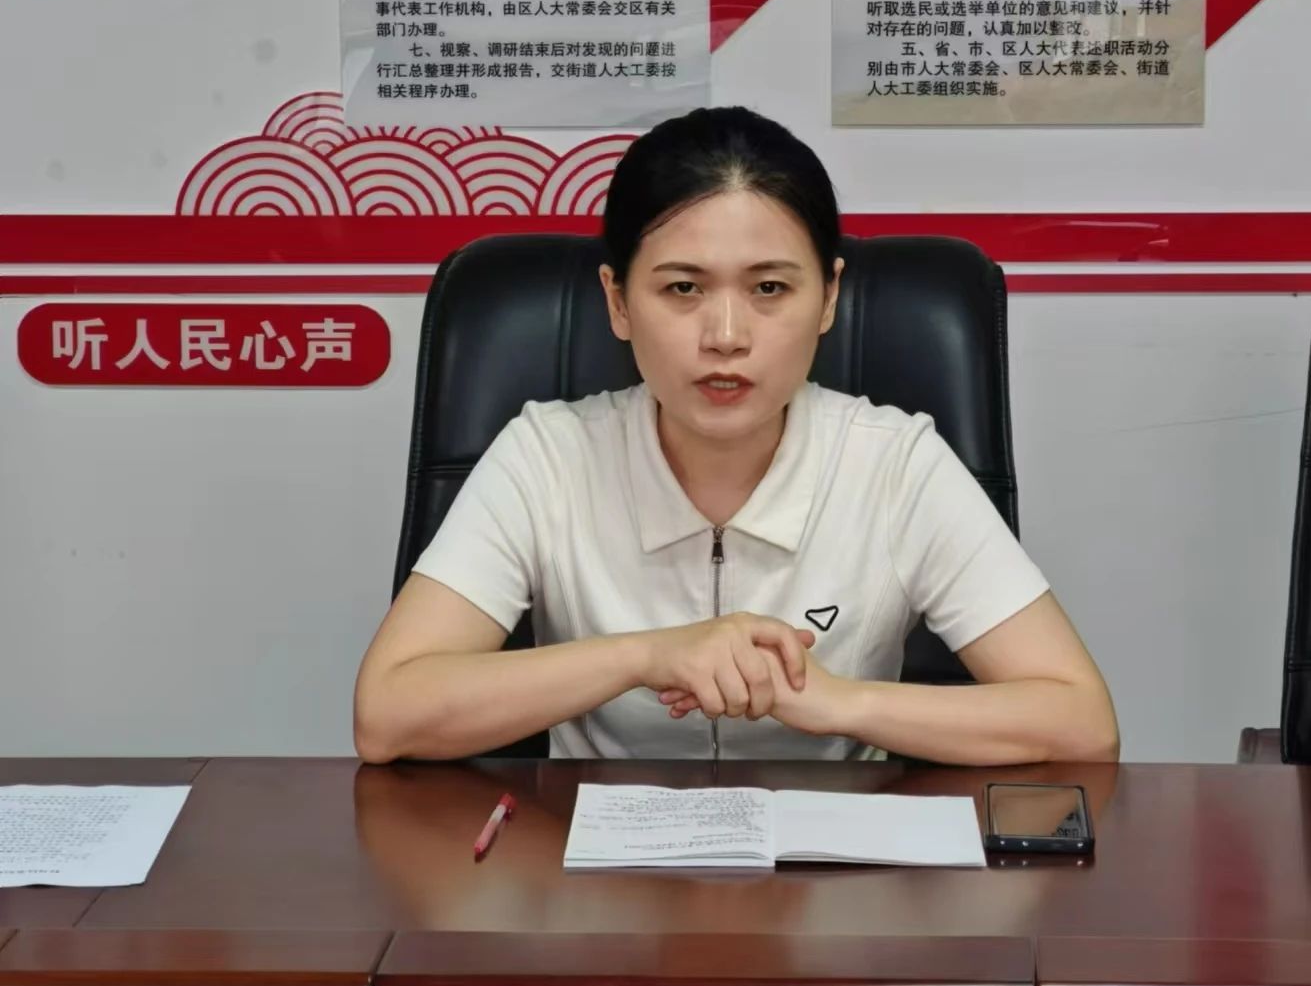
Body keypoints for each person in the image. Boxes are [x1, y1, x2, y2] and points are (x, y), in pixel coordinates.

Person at [353, 106, 1119, 764]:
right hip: (592, 869)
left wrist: (840, 702)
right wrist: (647, 653)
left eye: (770, 287)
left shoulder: (895, 463)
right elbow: (388, 712)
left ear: (829, 297)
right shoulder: (547, 456)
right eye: (683, 287)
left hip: (839, 868)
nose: (725, 335)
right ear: (618, 301)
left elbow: (1081, 721)